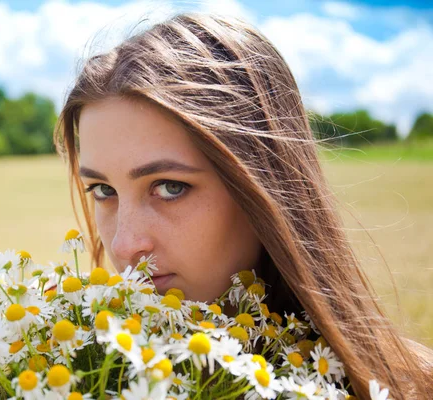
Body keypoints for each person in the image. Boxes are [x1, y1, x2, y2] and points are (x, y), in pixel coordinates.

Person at [53, 12, 432, 399]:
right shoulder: (71, 374)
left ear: (262, 185)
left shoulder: (410, 388)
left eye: (169, 187)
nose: (123, 245)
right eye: (103, 190)